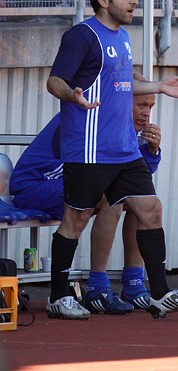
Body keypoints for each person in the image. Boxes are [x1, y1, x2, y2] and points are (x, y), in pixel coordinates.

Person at [44, 0, 178, 320]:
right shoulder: (82, 36)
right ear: (104, 1)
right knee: (76, 218)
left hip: (124, 149)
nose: (134, 1)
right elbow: (54, 81)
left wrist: (159, 86)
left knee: (151, 209)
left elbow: (120, 86)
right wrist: (73, 95)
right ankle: (59, 296)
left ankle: (160, 293)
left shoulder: (122, 38)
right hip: (89, 148)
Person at [9, 75, 163, 314]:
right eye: (142, 105)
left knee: (138, 201)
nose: (147, 113)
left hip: (64, 185)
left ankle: (133, 284)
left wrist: (151, 152)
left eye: (151, 107)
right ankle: (98, 288)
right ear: (122, 101)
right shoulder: (91, 119)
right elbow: (84, 171)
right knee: (112, 198)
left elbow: (136, 181)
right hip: (35, 187)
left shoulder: (121, 126)